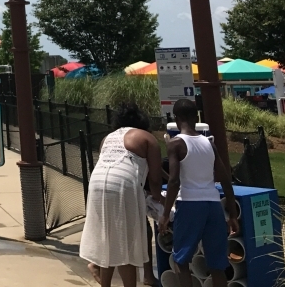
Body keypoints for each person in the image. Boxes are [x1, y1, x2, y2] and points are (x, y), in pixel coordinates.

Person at [80, 103, 163, 287]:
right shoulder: (147, 137)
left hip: (97, 184)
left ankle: (103, 278)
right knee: (127, 245)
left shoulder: (108, 138)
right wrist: (161, 200)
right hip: (122, 186)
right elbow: (155, 180)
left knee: (108, 238)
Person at [159, 99, 239, 287]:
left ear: (176, 118)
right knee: (217, 264)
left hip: (189, 204)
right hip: (213, 205)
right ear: (196, 118)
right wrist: (233, 215)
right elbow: (226, 179)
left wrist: (165, 214)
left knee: (181, 259)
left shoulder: (175, 144)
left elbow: (174, 180)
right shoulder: (209, 144)